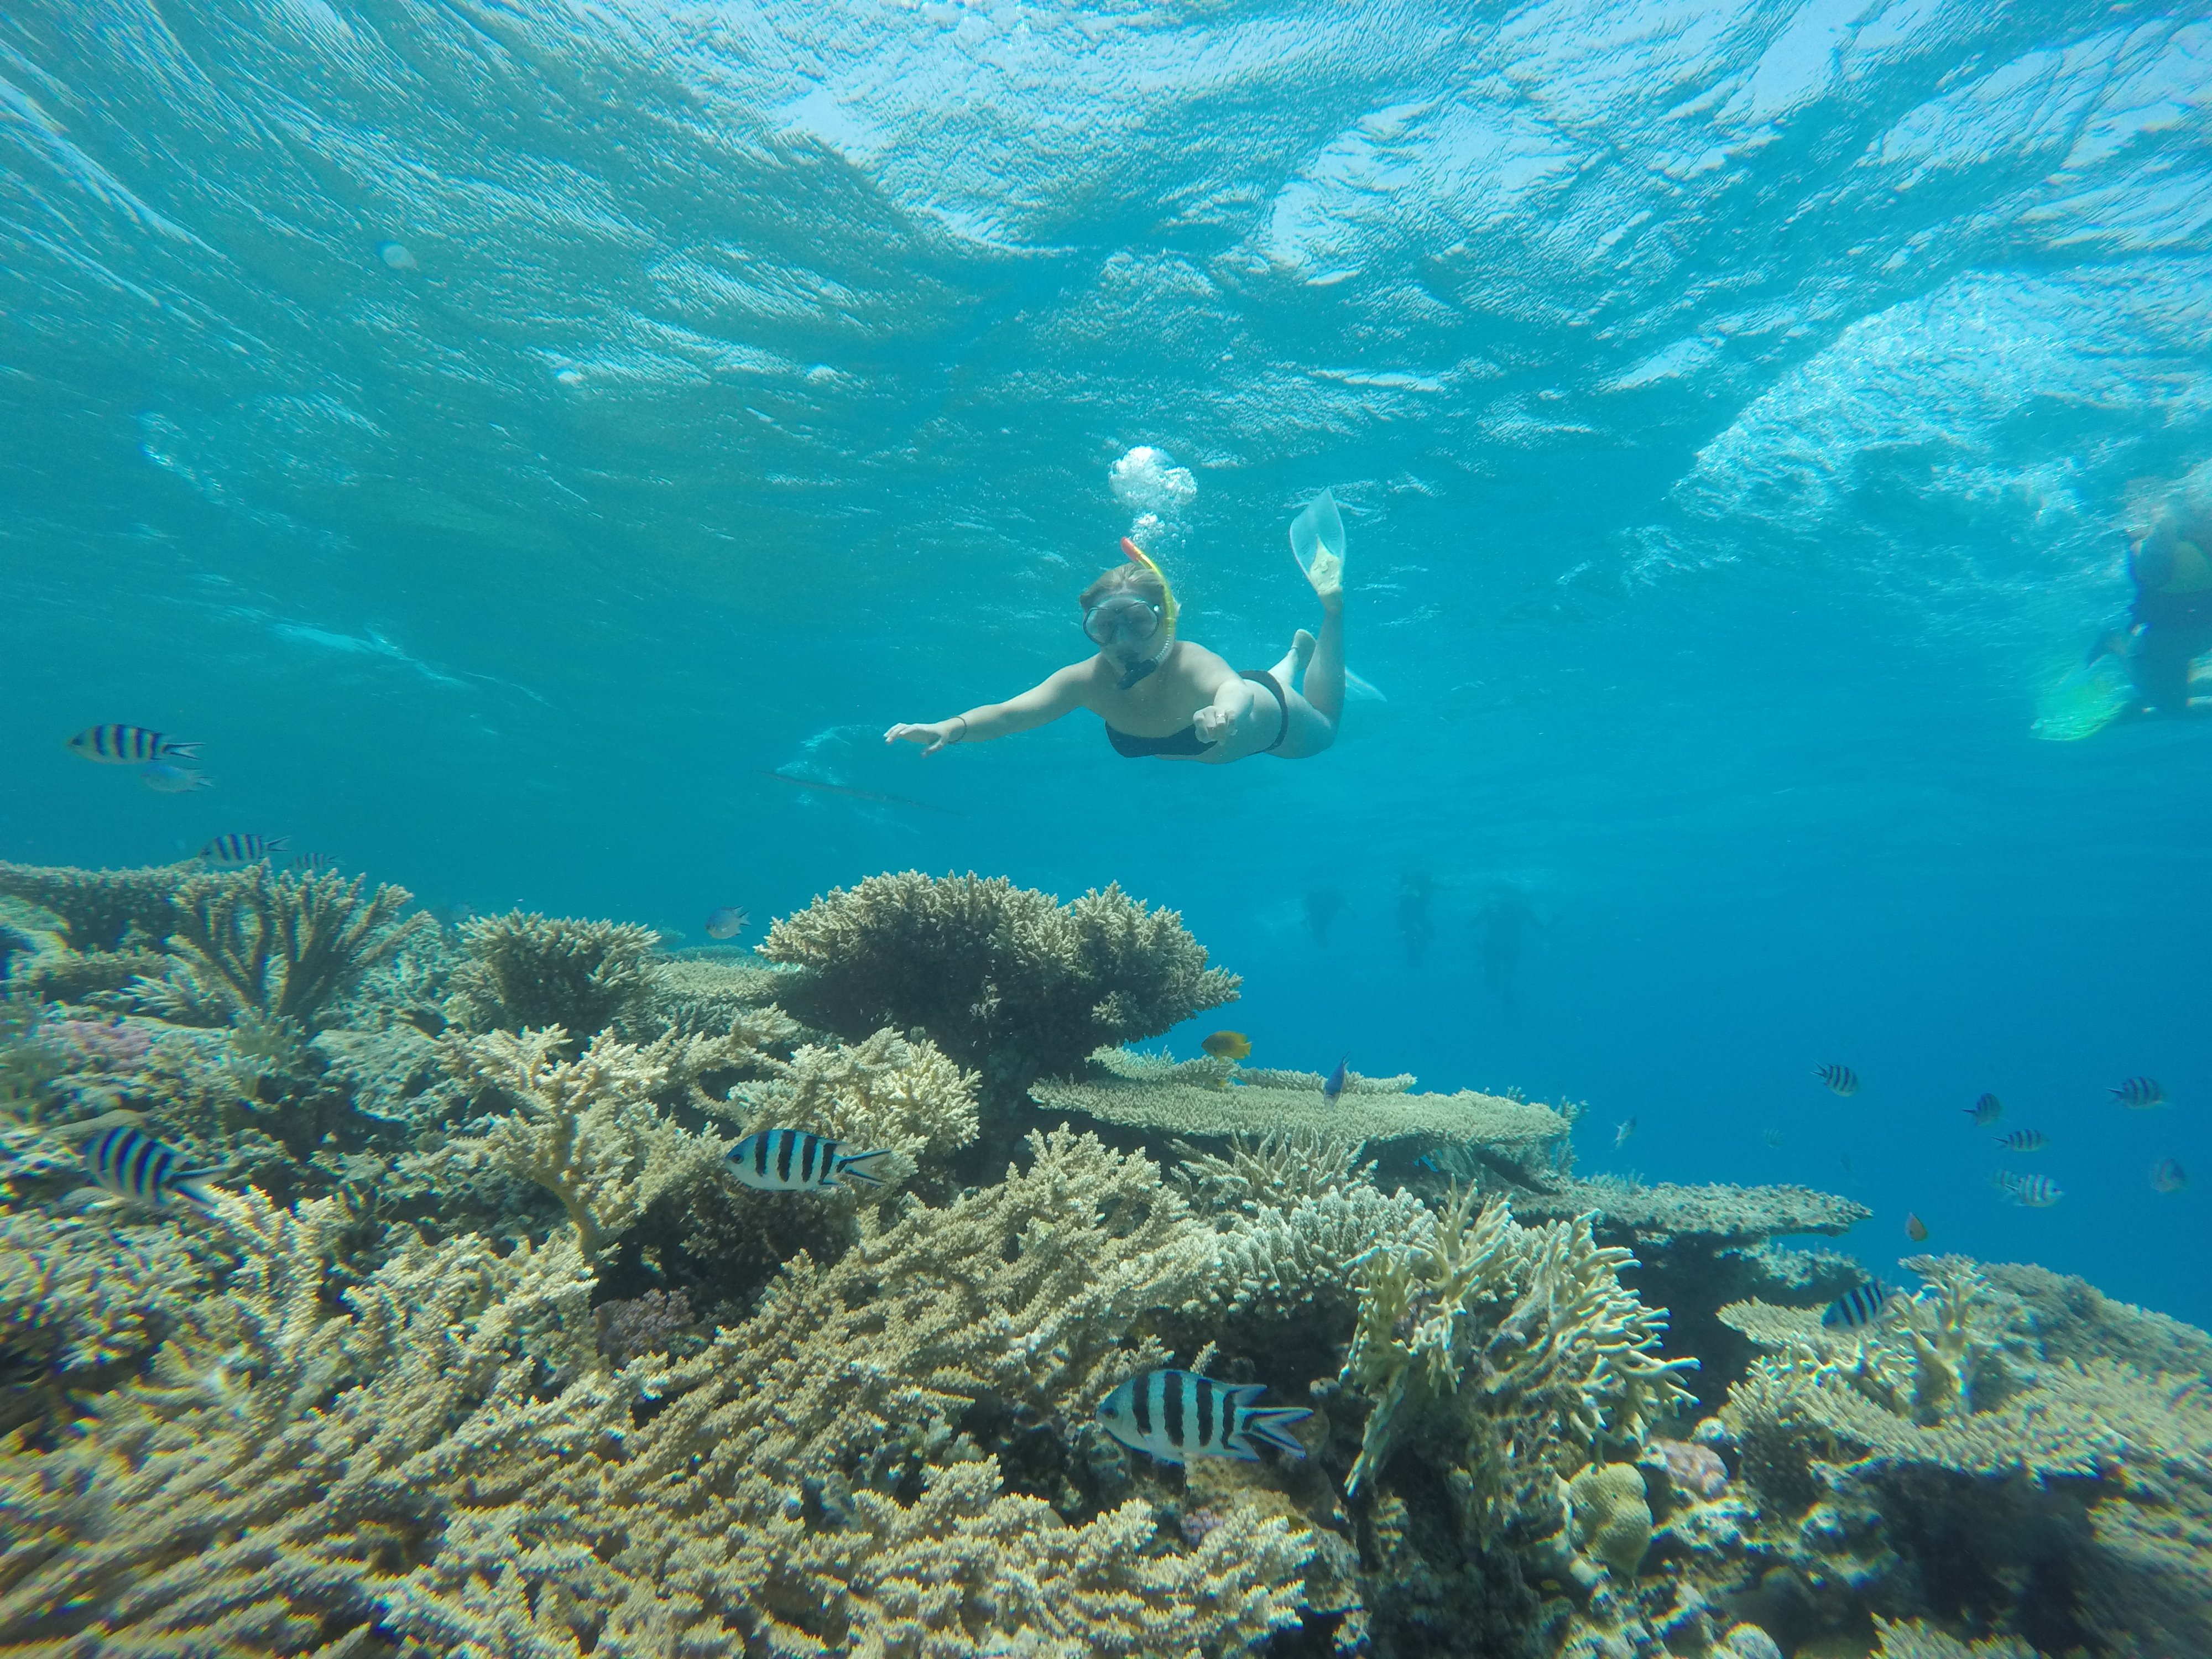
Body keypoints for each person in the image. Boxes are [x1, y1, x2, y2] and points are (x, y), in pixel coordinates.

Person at [884, 496, 1348, 764]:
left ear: (1167, 618)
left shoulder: (1191, 662)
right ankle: (1290, 660)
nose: (1123, 642)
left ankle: (1331, 614)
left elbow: (1231, 689)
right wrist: (952, 727)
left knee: (1326, 725)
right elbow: (1010, 715)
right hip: (1236, 707)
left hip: (1275, 721)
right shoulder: (1086, 681)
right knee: (1268, 677)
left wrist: (1224, 712)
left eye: (1139, 622)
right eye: (1105, 627)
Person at [2098, 508, 2212, 716]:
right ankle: (2116, 643)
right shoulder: (2157, 560)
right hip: (2165, 643)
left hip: (2196, 631)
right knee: (2170, 706)